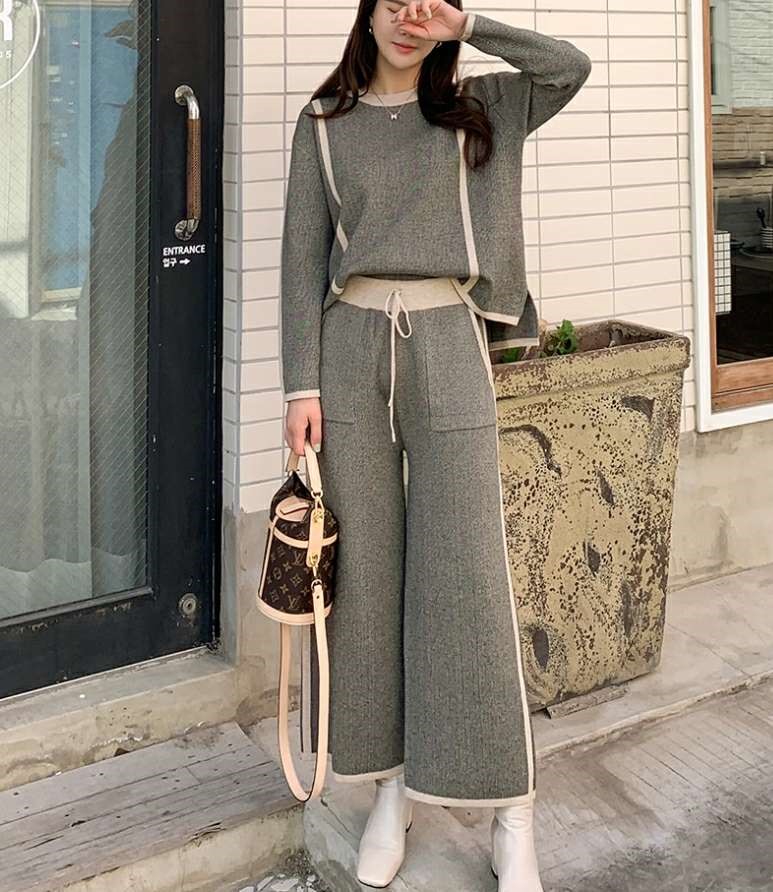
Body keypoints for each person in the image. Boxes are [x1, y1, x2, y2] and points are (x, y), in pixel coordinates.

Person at [279, 1, 591, 888]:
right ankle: (392, 787)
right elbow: (300, 257)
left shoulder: (482, 106)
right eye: (395, 3)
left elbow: (567, 67)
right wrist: (301, 386)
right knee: (366, 578)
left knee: (465, 573)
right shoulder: (324, 122)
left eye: (428, 5)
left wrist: (471, 26)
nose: (409, 20)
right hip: (348, 355)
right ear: (367, 14)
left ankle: (508, 808)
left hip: (449, 341)